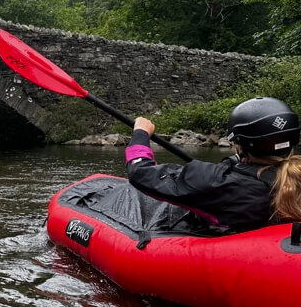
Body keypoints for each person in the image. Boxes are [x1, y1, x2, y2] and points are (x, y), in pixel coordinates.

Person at [125, 97, 301, 232]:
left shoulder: (220, 182)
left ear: (241, 146)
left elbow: (140, 171)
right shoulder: (294, 175)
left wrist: (141, 133)